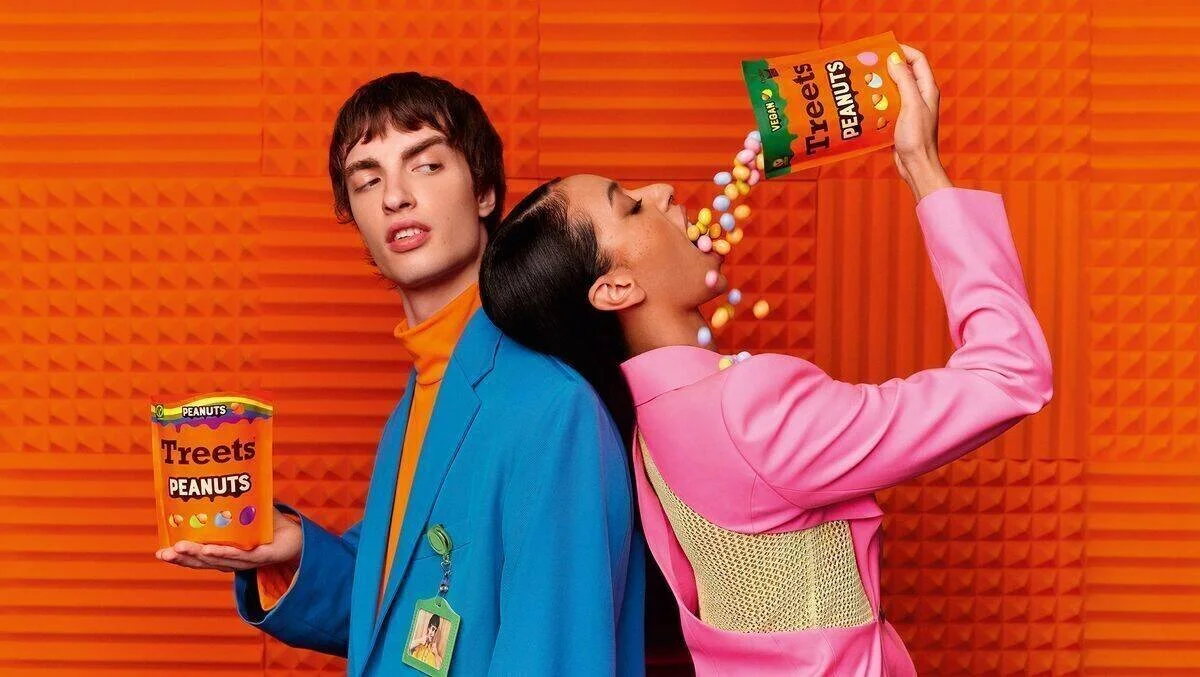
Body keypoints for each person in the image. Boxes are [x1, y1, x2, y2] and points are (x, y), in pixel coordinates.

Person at [480, 46, 1053, 675]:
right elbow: (1009, 375)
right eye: (631, 206)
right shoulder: (748, 405)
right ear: (615, 289)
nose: (663, 191)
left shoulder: (649, 432)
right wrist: (923, 169)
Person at [155, 72, 644, 676]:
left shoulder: (551, 406)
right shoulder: (423, 397)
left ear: (485, 190)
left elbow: (557, 657)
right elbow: (405, 611)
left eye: (427, 166)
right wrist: (291, 552)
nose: (395, 197)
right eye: (367, 180)